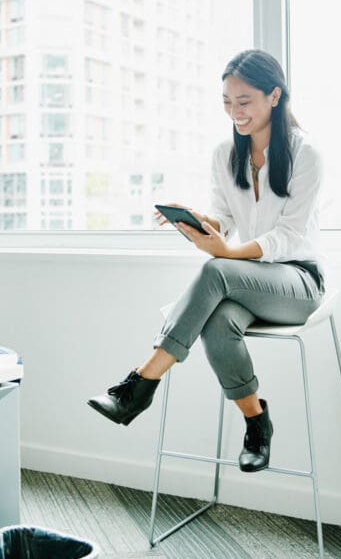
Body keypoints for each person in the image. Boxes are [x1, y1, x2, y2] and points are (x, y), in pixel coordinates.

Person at [87, 49, 324, 473]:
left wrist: (228, 253)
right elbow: (228, 220)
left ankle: (142, 383)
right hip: (247, 279)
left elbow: (290, 236)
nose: (235, 112)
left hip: (298, 282)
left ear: (275, 96)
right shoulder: (224, 155)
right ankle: (256, 423)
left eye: (244, 101)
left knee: (216, 270)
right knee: (217, 321)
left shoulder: (306, 155)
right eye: (227, 103)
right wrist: (200, 222)